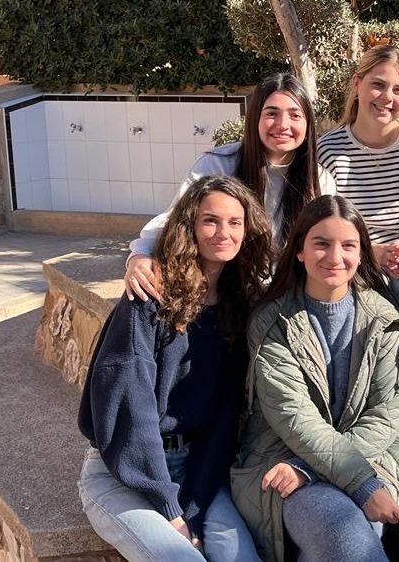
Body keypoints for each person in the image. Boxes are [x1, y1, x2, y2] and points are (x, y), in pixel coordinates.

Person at [78, 175, 275, 562]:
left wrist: (195, 508)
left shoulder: (238, 308)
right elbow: (129, 411)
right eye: (210, 221)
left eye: (235, 222)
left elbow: (223, 421)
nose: (224, 232)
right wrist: (170, 509)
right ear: (190, 227)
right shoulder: (147, 300)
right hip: (121, 472)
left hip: (194, 469)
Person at [231, 195, 399, 562]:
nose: (335, 256)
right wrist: (359, 484)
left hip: (360, 456)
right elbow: (294, 418)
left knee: (354, 536)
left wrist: (308, 470)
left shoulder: (384, 320)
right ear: (299, 252)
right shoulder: (271, 322)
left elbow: (384, 417)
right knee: (344, 535)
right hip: (280, 457)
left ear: (361, 255)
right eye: (321, 244)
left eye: (348, 246)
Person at [125, 72, 335, 301]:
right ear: (255, 117)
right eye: (272, 113)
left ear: (308, 125)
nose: (283, 125)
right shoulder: (217, 165)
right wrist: (140, 256)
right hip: (225, 297)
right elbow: (176, 221)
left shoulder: (319, 181)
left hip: (287, 302)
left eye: (295, 115)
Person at [317, 45, 399, 305]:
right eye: (378, 84)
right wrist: (370, 252)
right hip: (349, 262)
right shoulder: (327, 151)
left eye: (398, 90)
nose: (387, 97)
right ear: (357, 83)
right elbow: (324, 226)